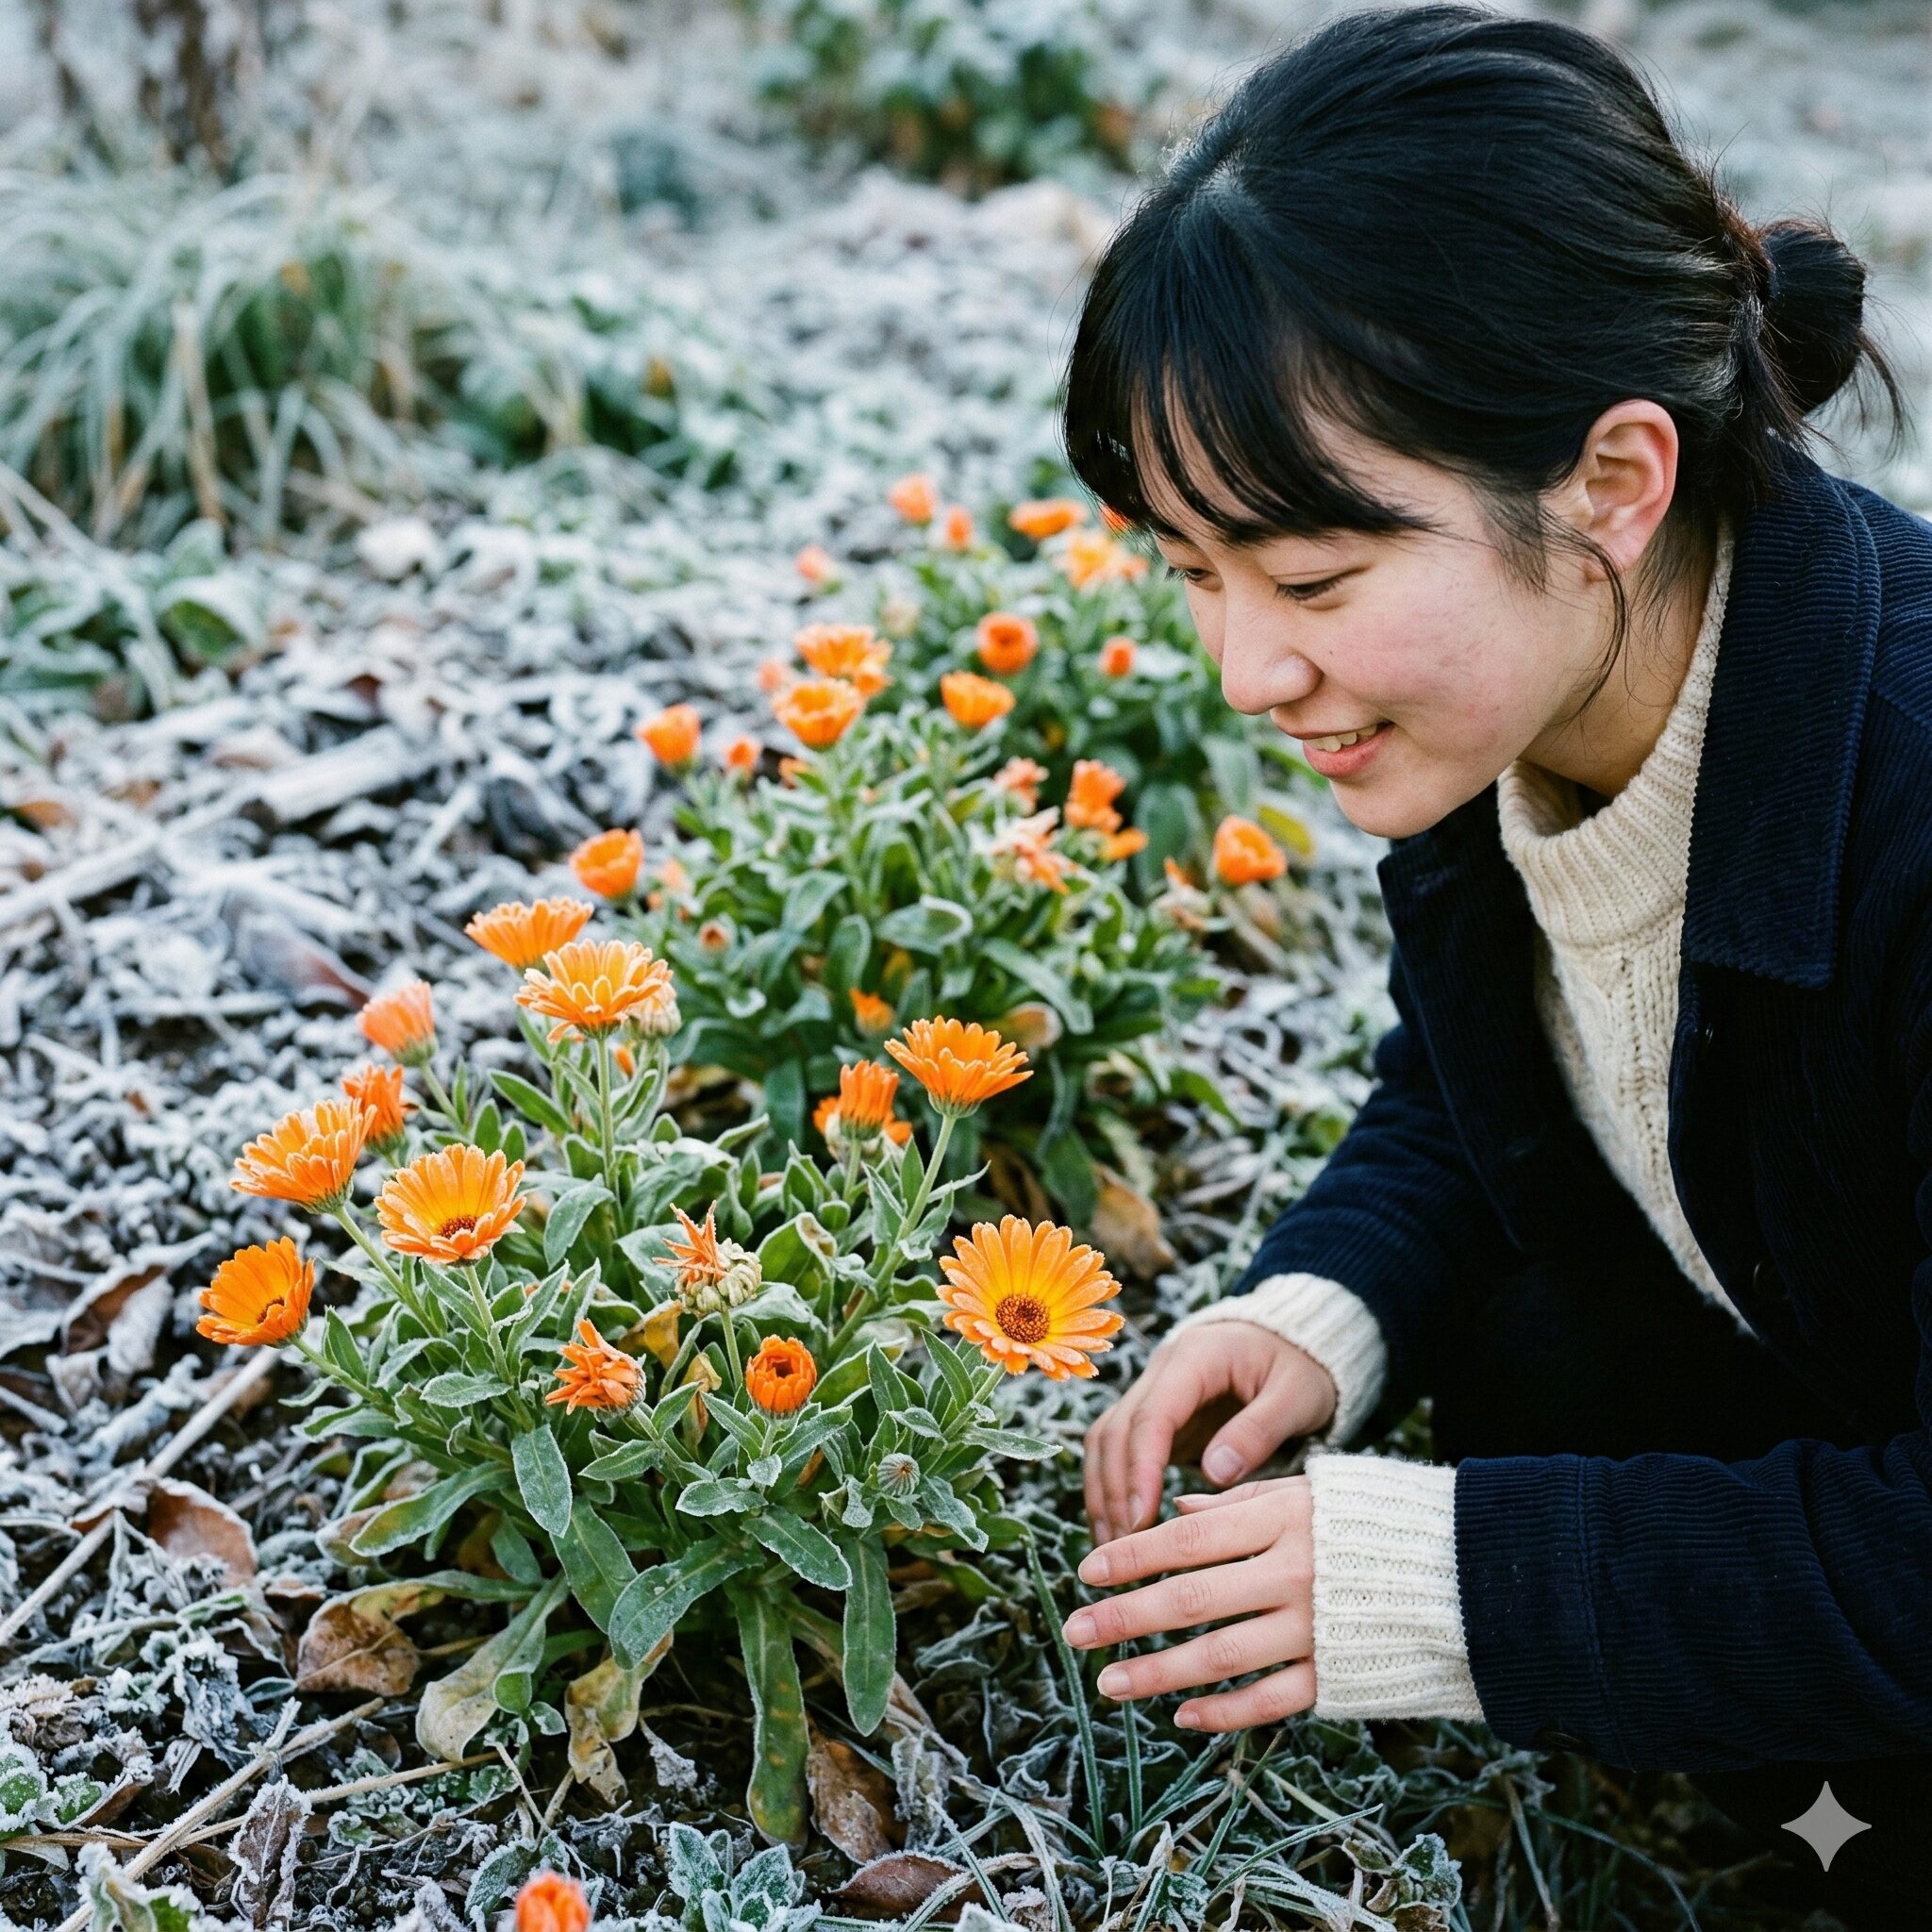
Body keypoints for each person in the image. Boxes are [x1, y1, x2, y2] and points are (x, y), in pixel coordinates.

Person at [1055, 5, 1930, 1922]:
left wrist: (1453, 1588)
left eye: (1310, 578)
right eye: (1193, 574)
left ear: (1614, 481)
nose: (1247, 672)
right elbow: (1483, 1084)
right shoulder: (1502, 711)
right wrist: (1328, 1303)